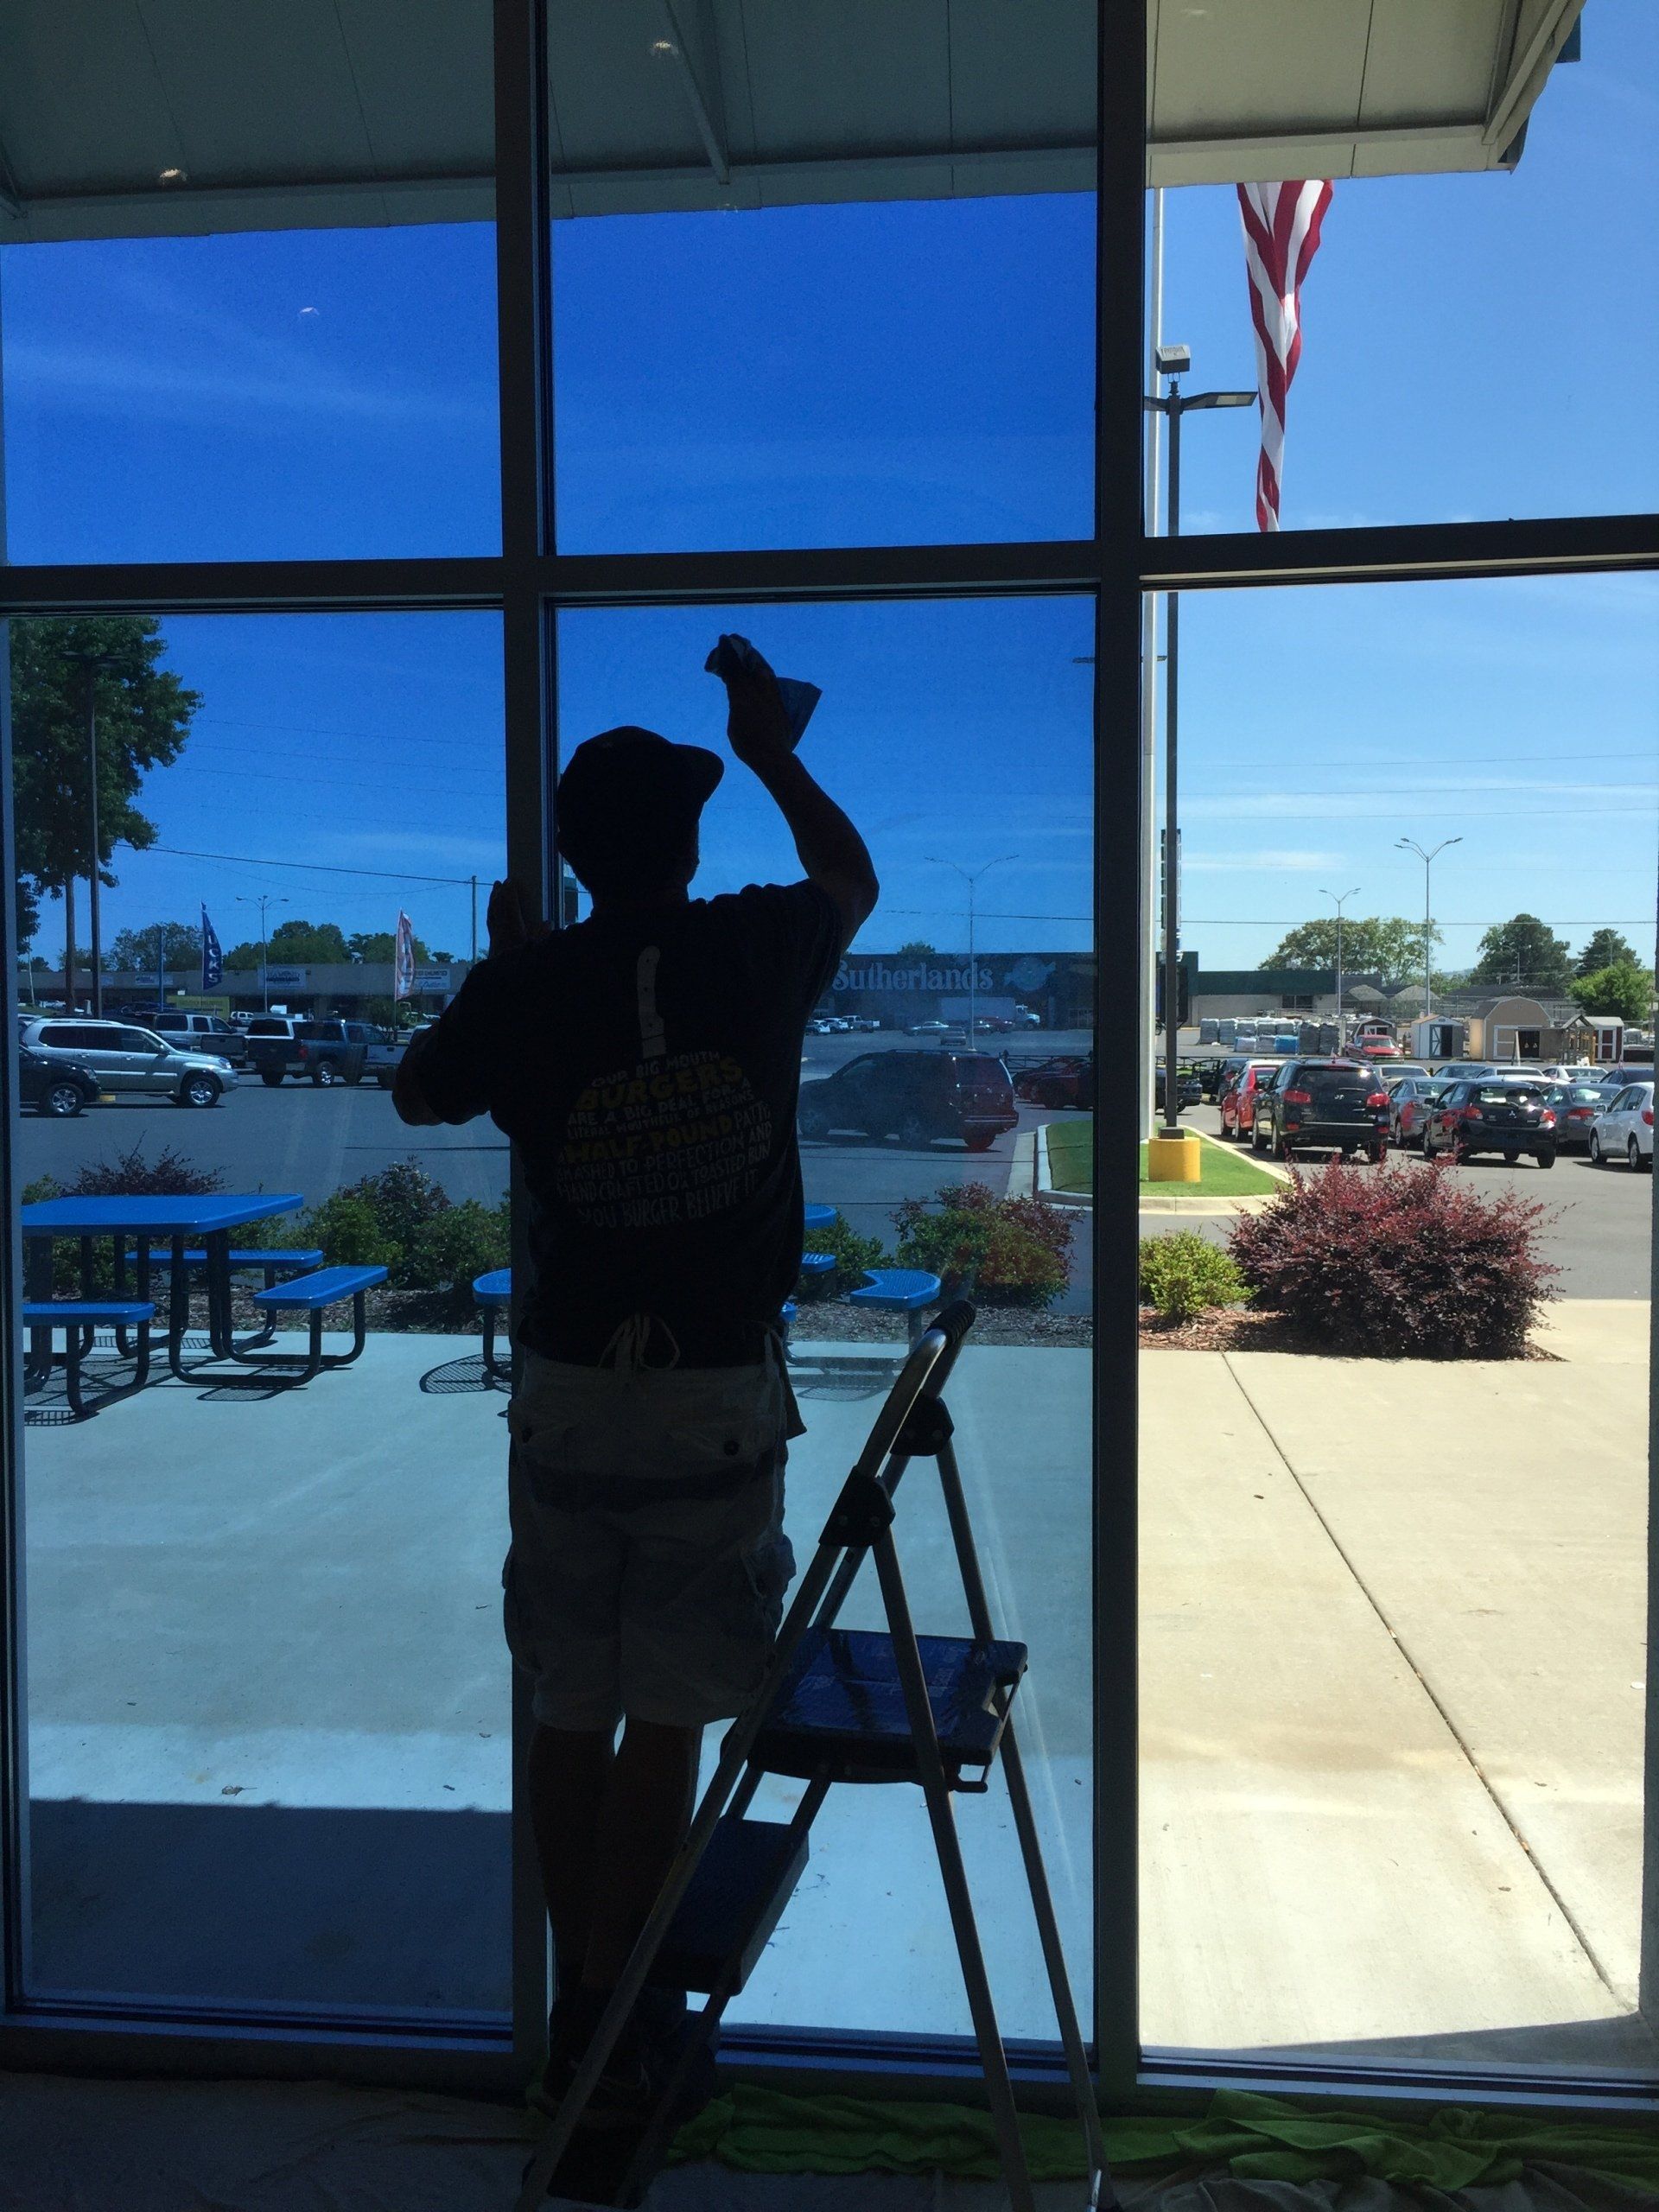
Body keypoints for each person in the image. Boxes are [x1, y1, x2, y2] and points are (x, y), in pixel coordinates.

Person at [393, 642, 877, 2140]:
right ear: (683, 843)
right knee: (667, 1717)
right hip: (710, 1391)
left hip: (563, 1395)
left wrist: (509, 968)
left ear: (573, 855)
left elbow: (420, 1092)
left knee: (567, 1706)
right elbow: (851, 882)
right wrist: (774, 750)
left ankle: (585, 2034)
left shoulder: (536, 981)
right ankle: (619, 2032)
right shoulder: (750, 948)